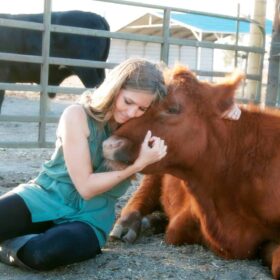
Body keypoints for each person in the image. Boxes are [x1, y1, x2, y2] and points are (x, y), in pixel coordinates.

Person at [0, 58, 241, 271]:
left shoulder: (139, 128)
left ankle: (8, 245)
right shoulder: (76, 115)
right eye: (128, 101)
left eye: (142, 108)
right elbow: (85, 186)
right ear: (115, 88)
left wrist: (225, 107)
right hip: (44, 197)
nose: (131, 112)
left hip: (89, 218)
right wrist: (136, 166)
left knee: (42, 254)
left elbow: (187, 102)